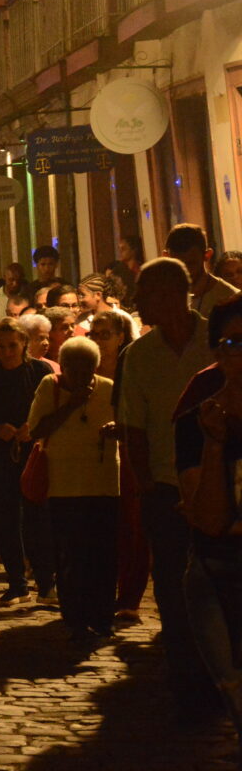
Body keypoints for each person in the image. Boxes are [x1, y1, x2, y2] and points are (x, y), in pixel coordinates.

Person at [118, 257, 219, 720]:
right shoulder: (138, 356)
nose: (138, 303)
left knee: (222, 582)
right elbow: (133, 427)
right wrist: (145, 487)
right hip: (164, 486)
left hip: (221, 482)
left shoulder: (217, 340)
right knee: (173, 590)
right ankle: (188, 679)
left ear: (172, 294)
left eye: (145, 293)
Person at [175, 296, 242, 749]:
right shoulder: (197, 422)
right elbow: (210, 519)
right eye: (233, 342)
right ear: (217, 351)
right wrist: (216, 446)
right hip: (221, 575)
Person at [27, 337, 120, 640]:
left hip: (104, 483)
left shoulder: (108, 388)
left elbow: (129, 424)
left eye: (87, 371)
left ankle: (103, 616)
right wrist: (71, 404)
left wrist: (117, 430)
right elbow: (37, 429)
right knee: (70, 553)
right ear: (63, 367)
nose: (81, 378)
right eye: (74, 371)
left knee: (103, 554)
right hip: (63, 484)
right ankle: (76, 616)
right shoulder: (49, 386)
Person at [0, 318, 56, 606]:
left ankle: (46, 584)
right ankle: (17, 583)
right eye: (1, 345)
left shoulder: (39, 371)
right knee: (5, 520)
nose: (7, 351)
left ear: (24, 345)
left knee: (38, 520)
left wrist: (33, 428)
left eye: (12, 345)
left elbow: (54, 413)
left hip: (33, 454)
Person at [88, 311, 147, 623]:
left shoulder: (133, 363)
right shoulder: (87, 368)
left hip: (128, 452)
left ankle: (129, 596)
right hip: (95, 455)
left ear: (121, 335)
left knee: (133, 526)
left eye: (105, 334)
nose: (98, 340)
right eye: (94, 334)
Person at [164, 223, 239, 318]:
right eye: (177, 265)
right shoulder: (162, 299)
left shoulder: (230, 299)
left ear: (207, 255)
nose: (185, 271)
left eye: (191, 263)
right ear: (166, 257)